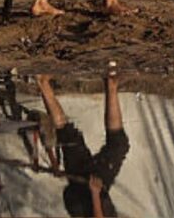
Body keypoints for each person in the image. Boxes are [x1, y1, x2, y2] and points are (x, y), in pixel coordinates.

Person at [36, 65, 130, 218]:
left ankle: (42, 82)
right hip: (90, 195)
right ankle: (111, 84)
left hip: (84, 199)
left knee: (70, 137)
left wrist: (95, 193)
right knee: (118, 144)